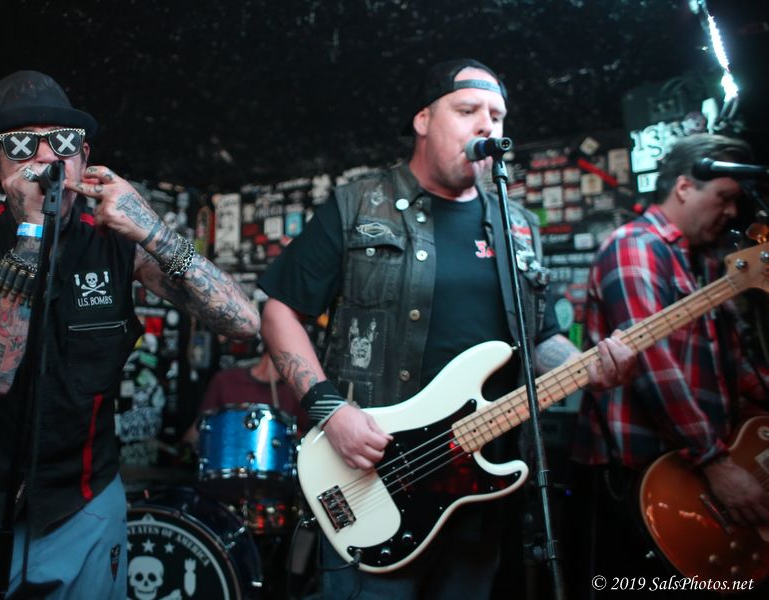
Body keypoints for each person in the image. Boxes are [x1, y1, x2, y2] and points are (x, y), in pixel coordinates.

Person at [258, 58, 636, 599]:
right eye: (467, 110)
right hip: (374, 477)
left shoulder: (518, 227)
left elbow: (538, 339)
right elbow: (280, 311)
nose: (487, 125)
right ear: (423, 120)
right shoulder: (359, 206)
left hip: (478, 485)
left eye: (497, 116)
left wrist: (589, 369)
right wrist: (331, 411)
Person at [0, 70, 259, 599]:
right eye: (22, 146)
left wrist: (154, 231)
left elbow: (244, 324)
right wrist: (31, 234)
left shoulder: (116, 236)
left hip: (85, 498)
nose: (47, 158)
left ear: (84, 159)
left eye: (63, 143)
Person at [572, 133, 769, 595]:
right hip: (642, 476)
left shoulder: (704, 263)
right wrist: (716, 463)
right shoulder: (635, 246)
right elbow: (654, 365)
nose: (732, 212)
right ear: (684, 187)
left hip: (689, 468)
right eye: (723, 197)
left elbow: (736, 365)